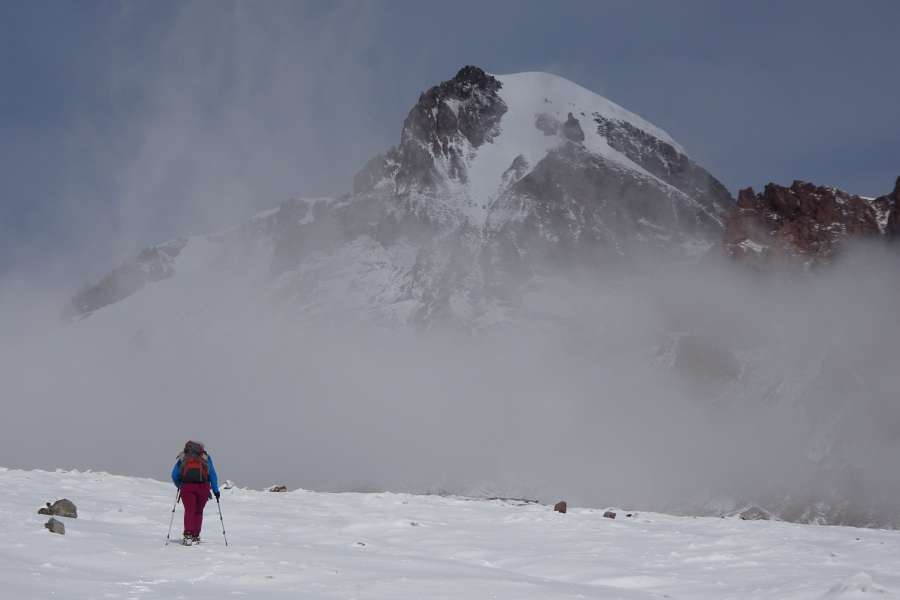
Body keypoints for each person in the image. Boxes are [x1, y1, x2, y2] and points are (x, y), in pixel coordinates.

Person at [171, 440, 220, 545]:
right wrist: (216, 490)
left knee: (189, 511)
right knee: (198, 511)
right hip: (203, 487)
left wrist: (181, 485)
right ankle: (195, 535)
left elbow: (174, 475)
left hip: (187, 487)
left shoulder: (184, 456)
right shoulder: (205, 457)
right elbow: (212, 474)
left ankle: (188, 535)